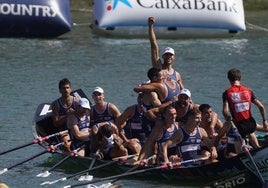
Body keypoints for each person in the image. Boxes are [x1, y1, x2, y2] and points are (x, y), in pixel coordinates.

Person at [222, 68, 268, 149]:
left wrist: (227, 118)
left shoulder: (227, 93)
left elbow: (225, 111)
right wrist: (264, 120)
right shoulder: (248, 90)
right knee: (251, 133)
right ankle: (257, 148)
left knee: (238, 152)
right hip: (251, 123)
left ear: (229, 79)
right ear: (240, 78)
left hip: (239, 126)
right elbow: (261, 106)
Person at [90, 87, 139, 155]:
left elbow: (123, 122)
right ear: (92, 97)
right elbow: (90, 125)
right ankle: (95, 152)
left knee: (127, 146)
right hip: (101, 137)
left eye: (99, 94)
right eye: (95, 95)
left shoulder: (111, 107)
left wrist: (116, 131)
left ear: (103, 95)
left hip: (114, 134)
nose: (97, 97)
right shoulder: (91, 109)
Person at [148, 16, 184, 89]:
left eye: (170, 55)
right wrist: (150, 26)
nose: (168, 57)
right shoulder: (158, 67)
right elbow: (153, 45)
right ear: (163, 56)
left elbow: (183, 90)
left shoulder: (177, 75)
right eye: (166, 55)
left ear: (174, 57)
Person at [51, 78, 79, 152]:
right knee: (66, 146)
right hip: (64, 130)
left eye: (67, 88)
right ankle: (72, 157)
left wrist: (75, 113)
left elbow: (84, 117)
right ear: (60, 90)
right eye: (63, 88)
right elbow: (56, 123)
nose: (66, 90)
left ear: (70, 89)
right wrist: (67, 116)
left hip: (77, 127)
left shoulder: (76, 101)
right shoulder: (55, 104)